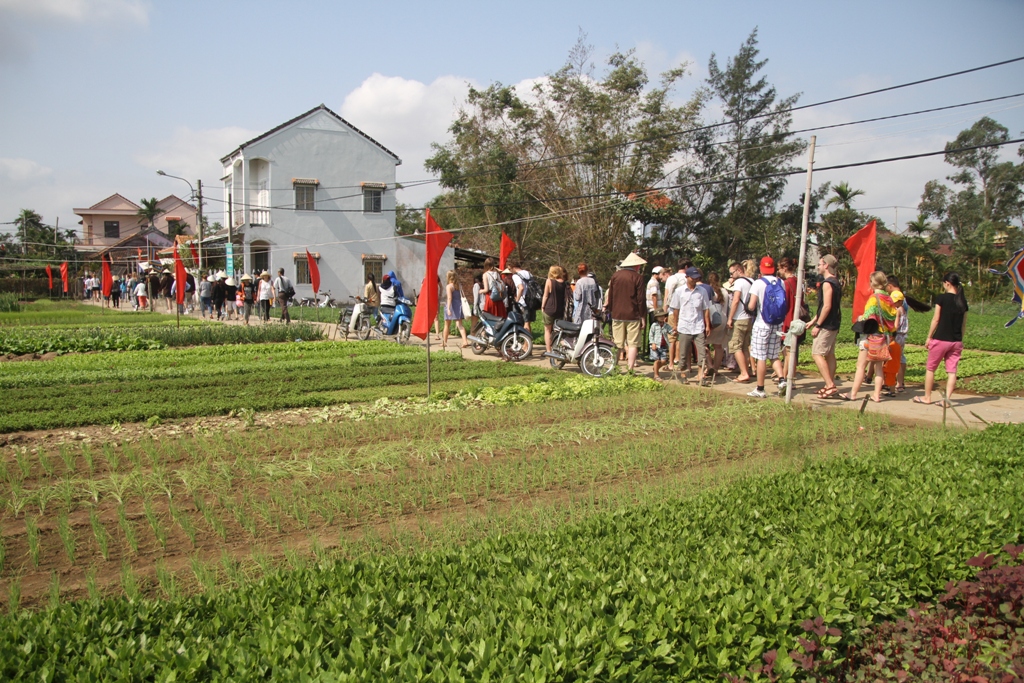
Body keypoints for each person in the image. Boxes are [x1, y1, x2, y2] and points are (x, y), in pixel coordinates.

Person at [840, 271, 898, 403]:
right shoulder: (889, 299)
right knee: (878, 367)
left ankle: (853, 393)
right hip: (884, 337)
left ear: (873, 283)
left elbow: (869, 316)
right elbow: (892, 317)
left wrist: (861, 318)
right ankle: (876, 395)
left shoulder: (873, 298)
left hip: (871, 336)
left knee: (861, 365)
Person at [916, 272, 969, 407]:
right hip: (956, 341)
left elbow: (936, 319)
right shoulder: (962, 301)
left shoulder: (942, 298)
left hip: (941, 339)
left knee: (930, 368)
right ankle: (946, 401)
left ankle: (927, 397)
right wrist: (959, 339)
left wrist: (929, 337)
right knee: (952, 371)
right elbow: (963, 324)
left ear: (947, 283)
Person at [746, 257, 786, 399]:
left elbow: (751, 306)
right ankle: (782, 379)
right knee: (774, 355)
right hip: (777, 324)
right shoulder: (781, 282)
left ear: (761, 268)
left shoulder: (758, 283)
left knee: (761, 357)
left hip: (762, 324)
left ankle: (760, 388)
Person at [668, 266, 711, 384]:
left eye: (696, 278)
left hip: (698, 326)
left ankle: (700, 376)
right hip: (684, 326)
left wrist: (707, 325)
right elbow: (675, 309)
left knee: (702, 352)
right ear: (687, 277)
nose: (694, 280)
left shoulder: (702, 291)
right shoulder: (679, 291)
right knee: (683, 353)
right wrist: (675, 325)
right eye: (692, 278)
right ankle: (682, 374)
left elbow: (706, 309)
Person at [607, 252, 647, 372]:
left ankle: (614, 367)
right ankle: (630, 369)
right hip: (633, 315)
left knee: (618, 343)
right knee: (633, 343)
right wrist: (642, 316)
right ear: (636, 266)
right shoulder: (638, 278)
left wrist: (611, 310)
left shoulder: (615, 276)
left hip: (617, 314)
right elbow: (641, 299)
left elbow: (611, 296)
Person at [810, 254, 842, 398]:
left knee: (816, 353)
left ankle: (830, 385)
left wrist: (818, 325)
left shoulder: (827, 283)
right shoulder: (836, 282)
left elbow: (827, 306)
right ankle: (828, 385)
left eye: (820, 264)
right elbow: (824, 306)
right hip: (834, 322)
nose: (818, 266)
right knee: (829, 354)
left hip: (827, 325)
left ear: (826, 265)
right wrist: (812, 321)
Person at [726, 260, 755, 383]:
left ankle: (743, 373)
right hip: (749, 317)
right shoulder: (752, 281)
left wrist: (730, 318)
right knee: (745, 346)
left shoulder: (739, 283)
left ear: (739, 270)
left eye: (732, 273)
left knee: (735, 346)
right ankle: (746, 370)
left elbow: (736, 300)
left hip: (739, 318)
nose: (731, 276)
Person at [777, 257, 805, 381]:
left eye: (779, 268)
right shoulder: (798, 281)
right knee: (792, 350)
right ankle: (791, 375)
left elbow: (784, 303)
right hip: (797, 317)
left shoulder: (786, 284)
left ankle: (785, 377)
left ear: (784, 268)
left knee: (788, 351)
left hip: (788, 318)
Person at [885, 275, 909, 394]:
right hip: (903, 336)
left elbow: (896, 325)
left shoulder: (898, 309)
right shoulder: (903, 306)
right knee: (900, 358)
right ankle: (899, 383)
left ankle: (892, 384)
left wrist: (891, 333)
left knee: (894, 359)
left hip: (897, 335)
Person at [705, 271, 729, 375]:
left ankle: (709, 365)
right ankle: (716, 369)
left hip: (712, 321)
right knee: (718, 346)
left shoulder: (708, 291)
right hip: (722, 320)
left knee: (704, 344)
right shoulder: (724, 291)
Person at [541, 265, 568, 353]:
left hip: (549, 308)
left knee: (547, 330)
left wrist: (542, 306)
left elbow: (545, 295)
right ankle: (560, 347)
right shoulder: (564, 283)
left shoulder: (549, 281)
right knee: (557, 330)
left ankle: (549, 350)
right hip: (560, 310)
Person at [443, 270, 469, 348]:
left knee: (447, 325)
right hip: (458, 306)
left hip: (451, 306)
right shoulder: (459, 285)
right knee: (460, 325)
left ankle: (444, 342)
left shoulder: (449, 286)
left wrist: (448, 308)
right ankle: (465, 341)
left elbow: (449, 298)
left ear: (448, 277)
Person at [648, 310, 672, 380]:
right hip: (655, 345)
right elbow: (651, 335)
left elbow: (671, 331)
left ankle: (655, 368)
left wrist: (675, 332)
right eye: (659, 316)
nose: (661, 317)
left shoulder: (666, 325)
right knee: (657, 360)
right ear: (656, 318)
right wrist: (652, 343)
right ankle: (656, 375)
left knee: (663, 361)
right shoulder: (654, 325)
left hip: (663, 346)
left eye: (663, 316)